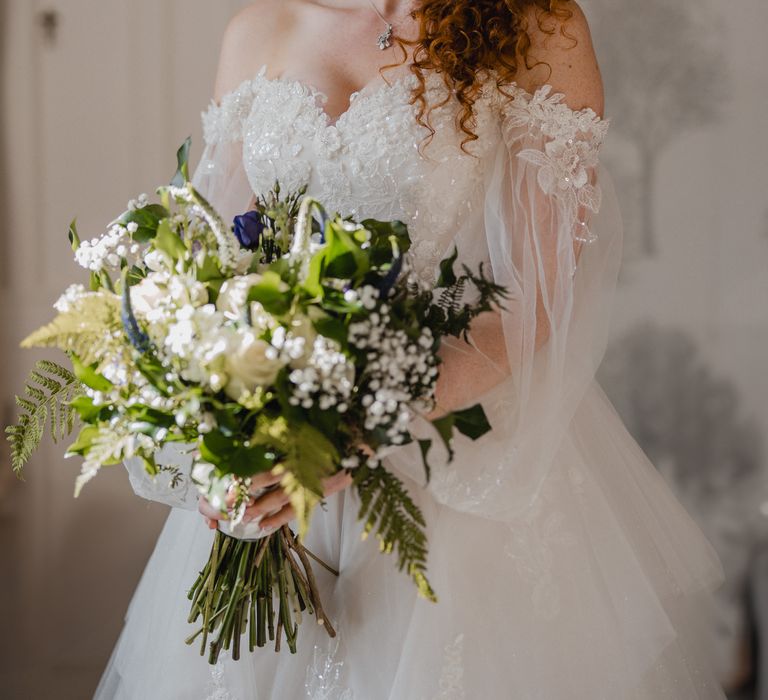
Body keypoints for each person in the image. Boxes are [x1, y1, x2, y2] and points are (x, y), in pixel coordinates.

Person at [96, 1, 727, 697]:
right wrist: (226, 444)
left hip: (454, 447)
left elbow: (541, 294)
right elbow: (222, 257)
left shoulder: (537, 25)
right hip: (281, 471)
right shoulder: (259, 27)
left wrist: (365, 423)